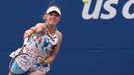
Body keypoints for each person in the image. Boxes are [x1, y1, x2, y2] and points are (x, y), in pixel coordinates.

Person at [8, 2, 62, 75]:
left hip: (39, 65)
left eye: (56, 15)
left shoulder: (59, 35)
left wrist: (44, 62)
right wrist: (31, 31)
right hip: (25, 59)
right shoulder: (42, 27)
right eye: (51, 14)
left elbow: (52, 56)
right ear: (46, 16)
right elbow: (37, 28)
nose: (53, 17)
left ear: (59, 18)